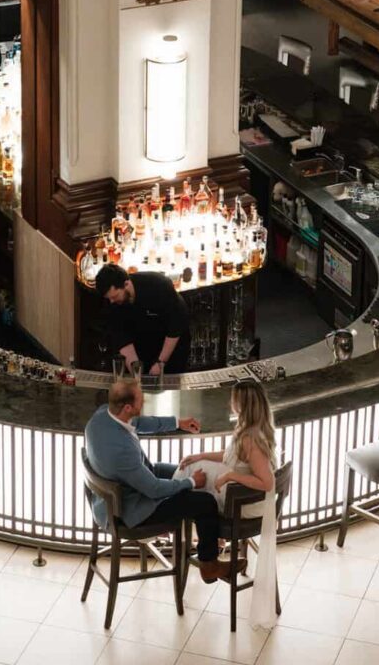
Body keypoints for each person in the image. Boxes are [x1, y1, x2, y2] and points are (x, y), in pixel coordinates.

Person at [84, 379, 246, 584]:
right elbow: (153, 489)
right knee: (205, 502)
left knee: (186, 468)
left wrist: (178, 422)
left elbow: (139, 423)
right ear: (127, 407)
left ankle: (207, 536)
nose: (144, 401)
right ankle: (209, 565)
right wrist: (190, 482)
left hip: (120, 491)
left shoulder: (102, 416)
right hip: (130, 510)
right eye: (140, 399)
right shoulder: (121, 451)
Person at [174, 379, 279, 629]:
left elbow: (266, 482)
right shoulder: (251, 429)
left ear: (240, 404)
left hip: (246, 504)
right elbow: (231, 456)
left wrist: (230, 475)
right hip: (242, 495)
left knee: (196, 488)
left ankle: (178, 523)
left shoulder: (251, 439)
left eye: (233, 399)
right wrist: (200, 454)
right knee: (194, 469)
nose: (230, 402)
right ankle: (207, 545)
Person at [95, 263, 191, 375]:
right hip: (143, 342)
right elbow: (122, 339)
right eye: (109, 298)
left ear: (126, 284)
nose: (112, 301)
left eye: (115, 296)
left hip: (171, 342)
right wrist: (136, 372)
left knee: (170, 384)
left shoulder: (158, 285)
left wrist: (161, 362)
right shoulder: (113, 303)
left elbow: (175, 325)